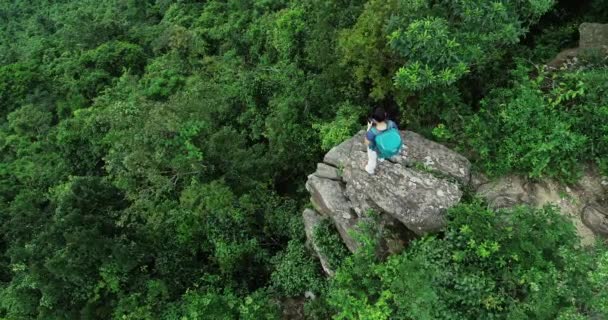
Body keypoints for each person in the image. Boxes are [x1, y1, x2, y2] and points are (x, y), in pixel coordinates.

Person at [364, 107, 401, 174]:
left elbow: (367, 143)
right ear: (385, 115)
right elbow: (396, 132)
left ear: (374, 120)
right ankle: (381, 157)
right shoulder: (391, 124)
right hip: (387, 145)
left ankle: (370, 169)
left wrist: (369, 128)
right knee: (382, 150)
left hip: (376, 149)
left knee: (372, 157)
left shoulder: (372, 132)